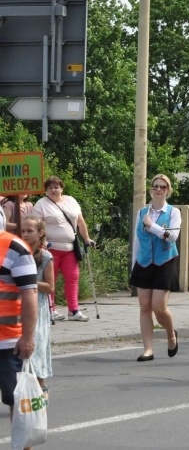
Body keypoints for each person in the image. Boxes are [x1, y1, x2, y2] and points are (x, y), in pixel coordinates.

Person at [130, 174, 182, 361]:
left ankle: (170, 334)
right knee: (144, 305)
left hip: (164, 261)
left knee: (158, 306)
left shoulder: (173, 212)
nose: (158, 189)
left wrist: (153, 227)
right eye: (155, 186)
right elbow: (137, 239)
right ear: (151, 189)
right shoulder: (142, 212)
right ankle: (148, 349)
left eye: (163, 187)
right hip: (144, 261)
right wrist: (133, 263)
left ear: (168, 191)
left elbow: (173, 236)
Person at [32, 176, 96, 321]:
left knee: (73, 278)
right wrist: (44, 242)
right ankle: (51, 309)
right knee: (50, 280)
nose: (54, 190)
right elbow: (38, 226)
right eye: (50, 188)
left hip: (70, 248)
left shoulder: (71, 201)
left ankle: (73, 310)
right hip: (51, 248)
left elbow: (80, 221)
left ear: (62, 188)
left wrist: (86, 238)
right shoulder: (41, 204)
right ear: (46, 190)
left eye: (56, 187)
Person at [0, 228, 37, 430]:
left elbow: (30, 293)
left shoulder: (14, 247)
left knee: (17, 402)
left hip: (8, 341)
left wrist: (28, 337)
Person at [19, 217, 54, 396]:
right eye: (23, 231)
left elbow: (50, 287)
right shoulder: (18, 253)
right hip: (20, 304)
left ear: (40, 233)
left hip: (38, 306)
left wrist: (30, 280)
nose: (25, 234)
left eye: (29, 231)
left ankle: (41, 388)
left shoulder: (45, 256)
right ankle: (26, 393)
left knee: (37, 348)